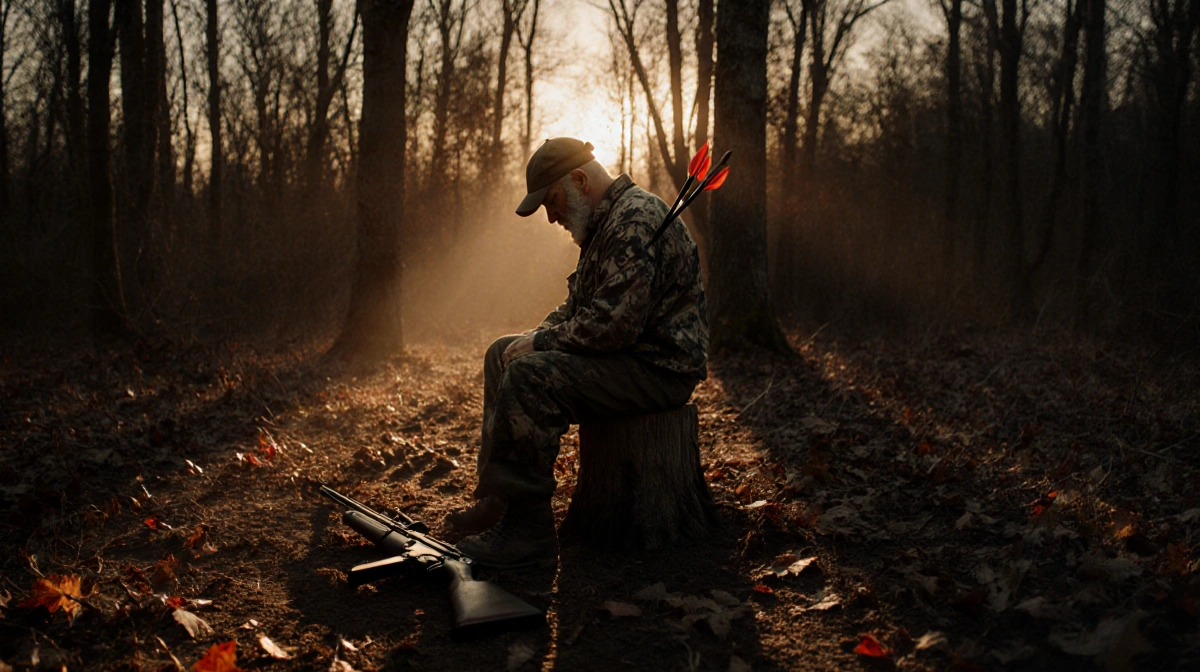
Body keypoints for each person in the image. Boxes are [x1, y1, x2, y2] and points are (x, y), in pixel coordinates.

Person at [448, 137, 709, 569]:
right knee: (502, 354)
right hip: (628, 358)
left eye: (552, 202)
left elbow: (613, 327)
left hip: (659, 369)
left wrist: (542, 343)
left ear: (580, 181)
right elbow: (578, 308)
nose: (552, 218)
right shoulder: (605, 225)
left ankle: (527, 532)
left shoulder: (634, 220)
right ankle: (499, 500)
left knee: (531, 377)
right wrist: (536, 335)